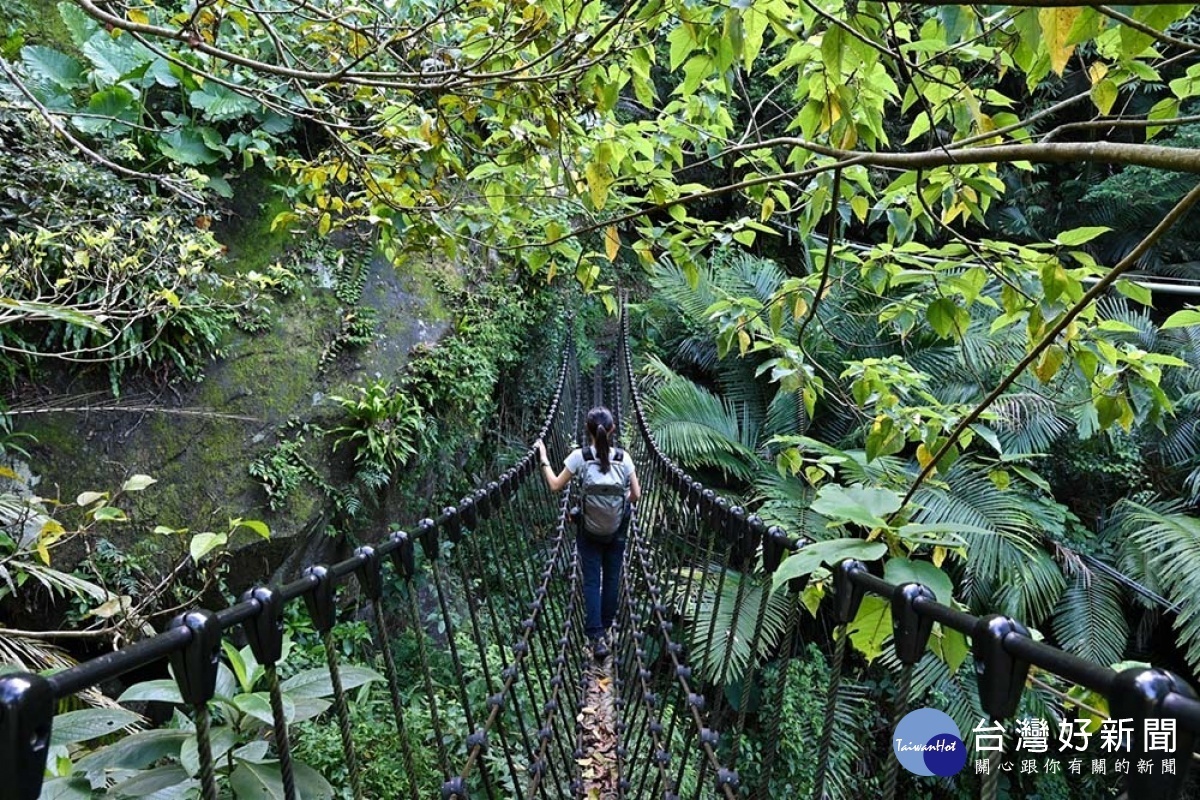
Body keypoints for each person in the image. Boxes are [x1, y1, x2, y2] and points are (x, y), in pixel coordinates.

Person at [534, 407, 641, 661]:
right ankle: (607, 627)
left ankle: (596, 638)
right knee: (613, 577)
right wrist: (617, 504)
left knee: (592, 580)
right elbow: (635, 496)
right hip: (616, 530)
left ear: (587, 430)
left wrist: (543, 457)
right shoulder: (624, 459)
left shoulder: (578, 457)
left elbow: (554, 485)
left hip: (589, 529)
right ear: (612, 430)